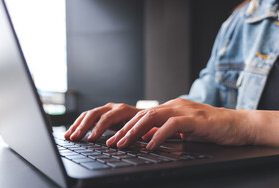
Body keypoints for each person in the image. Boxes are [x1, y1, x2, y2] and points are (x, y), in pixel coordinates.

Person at [65, 0, 279, 150]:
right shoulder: (241, 21)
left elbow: (228, 120)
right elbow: (203, 106)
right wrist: (147, 118)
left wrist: (245, 125)